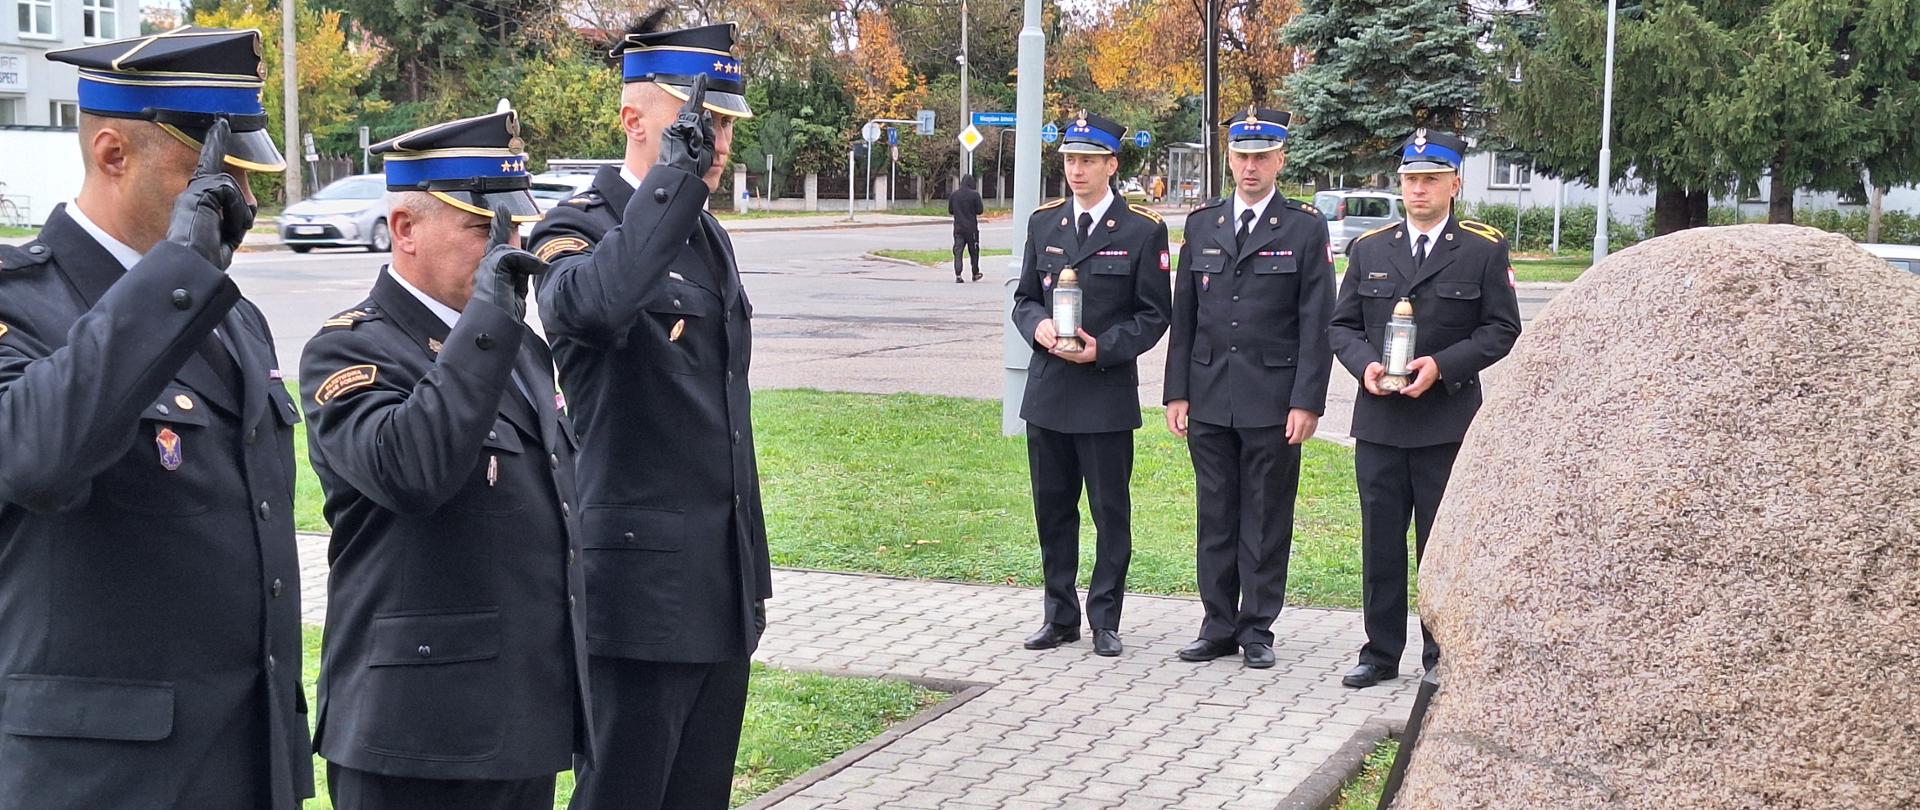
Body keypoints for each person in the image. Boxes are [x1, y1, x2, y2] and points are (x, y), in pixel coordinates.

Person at [0, 26, 311, 809]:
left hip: (243, 759)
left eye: (242, 175)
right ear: (113, 154)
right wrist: (179, 270)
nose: (241, 200)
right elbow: (35, 457)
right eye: (209, 174)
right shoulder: (19, 301)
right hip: (102, 778)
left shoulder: (226, 315)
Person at [299, 109, 591, 809]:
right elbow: (412, 469)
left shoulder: (518, 346)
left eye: (513, 228)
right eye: (483, 229)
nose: (509, 247)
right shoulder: (349, 349)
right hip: (417, 733)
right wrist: (490, 323)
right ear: (405, 230)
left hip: (519, 717)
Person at [526, 14, 768, 810]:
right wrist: (672, 183)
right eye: (700, 120)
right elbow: (591, 311)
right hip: (636, 595)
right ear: (634, 119)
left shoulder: (706, 237)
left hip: (717, 585)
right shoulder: (574, 227)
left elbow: (721, 419)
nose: (718, 141)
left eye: (727, 122)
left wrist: (750, 579)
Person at [1327, 128, 1523, 689]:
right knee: (1380, 540)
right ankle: (1380, 651)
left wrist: (1441, 367)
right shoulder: (1370, 248)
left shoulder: (1483, 249)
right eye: (1411, 179)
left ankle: (1442, 652)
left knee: (1440, 544)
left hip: (1446, 422)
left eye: (1431, 179)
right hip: (1381, 420)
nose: (1419, 189)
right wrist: (1365, 365)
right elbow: (1341, 326)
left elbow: (1501, 330)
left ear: (1454, 184)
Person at [1164, 108, 1333, 669]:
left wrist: (1308, 400)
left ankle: (1257, 626)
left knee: (1264, 514)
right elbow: (1183, 314)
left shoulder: (1305, 228)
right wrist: (1176, 392)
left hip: (1273, 397)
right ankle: (1216, 624)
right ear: (1228, 158)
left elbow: (1318, 321)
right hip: (1209, 392)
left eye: (1262, 156)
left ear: (1281, 159)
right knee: (1215, 512)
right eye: (1242, 156)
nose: (1251, 167)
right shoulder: (1203, 223)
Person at [1010, 111, 1172, 657]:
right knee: (1052, 509)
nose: (1076, 171)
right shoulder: (1044, 223)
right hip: (1050, 390)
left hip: (1104, 395)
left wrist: (1106, 347)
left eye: (1086, 161)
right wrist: (1038, 328)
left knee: (1109, 512)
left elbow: (1154, 314)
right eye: (1069, 160)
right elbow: (1025, 297)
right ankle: (1059, 616)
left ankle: (1105, 617)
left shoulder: (1142, 230)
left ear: (1111, 165)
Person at [949, 173, 985, 282]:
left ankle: (958, 275)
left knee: (958, 251)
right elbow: (980, 211)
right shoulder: (975, 195)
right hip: (971, 228)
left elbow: (950, 211)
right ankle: (975, 273)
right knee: (974, 251)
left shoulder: (954, 195)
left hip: (958, 228)